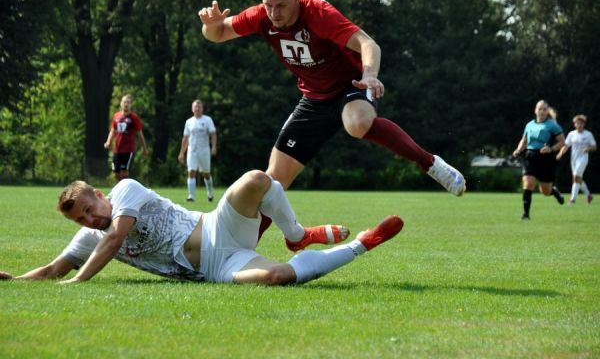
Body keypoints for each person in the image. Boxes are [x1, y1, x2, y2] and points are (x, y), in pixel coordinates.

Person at [198, 0, 466, 200]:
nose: (273, 13)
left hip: (350, 86)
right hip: (313, 99)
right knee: (273, 184)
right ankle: (240, 252)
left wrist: (369, 75)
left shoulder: (317, 13)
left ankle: (430, 163)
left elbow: (367, 43)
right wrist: (210, 25)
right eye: (268, 4)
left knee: (357, 123)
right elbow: (218, 33)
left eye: (280, 5)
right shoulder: (260, 15)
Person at [0, 170, 403, 285]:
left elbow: (114, 238)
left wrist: (78, 283)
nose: (90, 220)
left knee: (256, 180)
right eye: (80, 220)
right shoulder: (91, 237)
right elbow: (54, 269)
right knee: (278, 276)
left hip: (214, 228)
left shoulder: (126, 190)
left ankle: (295, 234)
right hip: (215, 269)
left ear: (101, 194)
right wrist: (15, 279)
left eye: (89, 209)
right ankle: (364, 244)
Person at [512, 100, 566, 220]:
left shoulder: (552, 125)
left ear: (547, 111)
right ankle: (526, 215)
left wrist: (551, 149)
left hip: (546, 158)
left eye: (544, 109)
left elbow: (562, 142)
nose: (542, 111)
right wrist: (518, 150)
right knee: (528, 183)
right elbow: (524, 140)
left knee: (545, 191)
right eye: (539, 109)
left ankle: (554, 192)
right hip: (530, 156)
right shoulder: (529, 124)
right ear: (535, 110)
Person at [178, 99, 217, 202]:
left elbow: (213, 134)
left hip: (204, 151)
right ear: (192, 109)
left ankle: (210, 193)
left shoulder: (207, 120)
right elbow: (185, 138)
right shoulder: (189, 122)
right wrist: (182, 152)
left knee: (206, 173)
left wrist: (213, 147)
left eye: (199, 107)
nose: (197, 108)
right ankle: (191, 196)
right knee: (191, 171)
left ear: (202, 108)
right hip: (192, 151)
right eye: (195, 107)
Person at [104, 94, 148, 181]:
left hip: (128, 149)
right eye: (124, 102)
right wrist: (108, 141)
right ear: (121, 103)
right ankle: (119, 190)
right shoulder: (116, 116)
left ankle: (124, 191)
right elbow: (113, 130)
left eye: (128, 102)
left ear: (131, 105)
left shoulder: (134, 118)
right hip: (117, 149)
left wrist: (144, 148)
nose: (126, 104)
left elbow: (140, 134)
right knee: (116, 172)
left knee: (124, 171)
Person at [556, 114, 596, 204]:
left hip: (583, 159)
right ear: (574, 124)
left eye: (581, 123)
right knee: (578, 178)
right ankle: (589, 195)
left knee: (576, 178)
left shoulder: (588, 134)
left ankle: (572, 199)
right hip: (573, 160)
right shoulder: (571, 134)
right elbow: (566, 146)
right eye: (577, 123)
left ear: (583, 124)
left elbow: (594, 146)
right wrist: (560, 153)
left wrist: (588, 148)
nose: (579, 125)